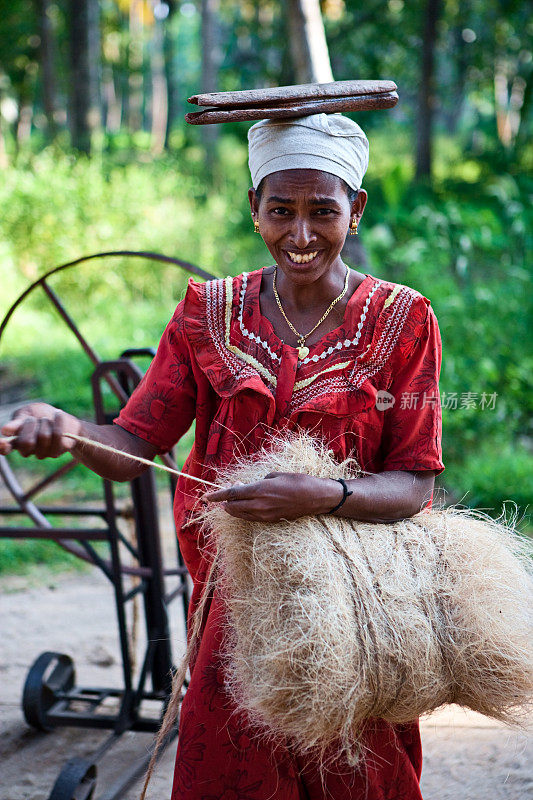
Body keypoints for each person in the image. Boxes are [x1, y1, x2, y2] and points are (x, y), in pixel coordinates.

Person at [0, 113, 444, 799]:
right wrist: (64, 427)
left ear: (354, 211)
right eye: (280, 211)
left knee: (361, 774)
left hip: (362, 612)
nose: (300, 236)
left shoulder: (402, 319)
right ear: (253, 210)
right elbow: (134, 448)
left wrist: (322, 497)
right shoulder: (207, 313)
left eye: (322, 211)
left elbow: (412, 485)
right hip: (233, 613)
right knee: (232, 771)